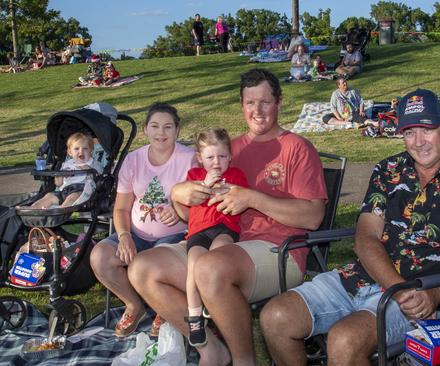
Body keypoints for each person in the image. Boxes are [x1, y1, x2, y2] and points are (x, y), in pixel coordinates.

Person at [260, 88, 440, 365]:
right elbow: (365, 237)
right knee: (275, 317)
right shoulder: (388, 170)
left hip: (425, 296)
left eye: (426, 130)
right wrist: (398, 288)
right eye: (409, 132)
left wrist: (433, 295)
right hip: (362, 278)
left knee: (345, 340)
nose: (418, 142)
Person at [127, 68, 327, 366]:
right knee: (142, 269)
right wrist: (180, 193)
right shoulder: (228, 149)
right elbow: (191, 204)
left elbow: (313, 216)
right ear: (241, 105)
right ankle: (211, 350)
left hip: (279, 250)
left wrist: (252, 198)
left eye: (265, 102)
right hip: (217, 240)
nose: (257, 111)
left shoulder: (297, 148)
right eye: (250, 103)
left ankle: (243, 360)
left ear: (279, 103)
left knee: (210, 267)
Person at [90, 103, 196, 338]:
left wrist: (180, 212)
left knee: (151, 264)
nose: (161, 133)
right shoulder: (133, 160)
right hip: (136, 234)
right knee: (100, 257)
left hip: (175, 237)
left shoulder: (190, 160)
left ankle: (164, 307)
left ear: (177, 131)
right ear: (146, 130)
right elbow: (121, 208)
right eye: (155, 126)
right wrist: (125, 236)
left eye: (168, 127)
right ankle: (134, 305)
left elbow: (203, 206)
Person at [183, 128, 248, 347]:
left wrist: (225, 188)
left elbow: (240, 196)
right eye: (210, 157)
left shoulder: (237, 175)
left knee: (218, 256)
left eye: (222, 156)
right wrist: (206, 185)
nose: (217, 162)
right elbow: (189, 198)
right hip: (198, 231)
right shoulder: (194, 176)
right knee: (194, 263)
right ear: (200, 159)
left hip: (225, 228)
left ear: (230, 155)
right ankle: (194, 316)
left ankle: (213, 301)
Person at [28, 132, 99, 209]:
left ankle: (61, 209)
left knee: (73, 196)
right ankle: (33, 208)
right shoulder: (66, 164)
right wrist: (59, 176)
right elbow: (59, 184)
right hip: (65, 191)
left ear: (91, 151)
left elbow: (99, 177)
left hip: (82, 192)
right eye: (76, 149)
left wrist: (88, 170)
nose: (81, 151)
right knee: (49, 196)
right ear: (70, 152)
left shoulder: (93, 163)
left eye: (85, 148)